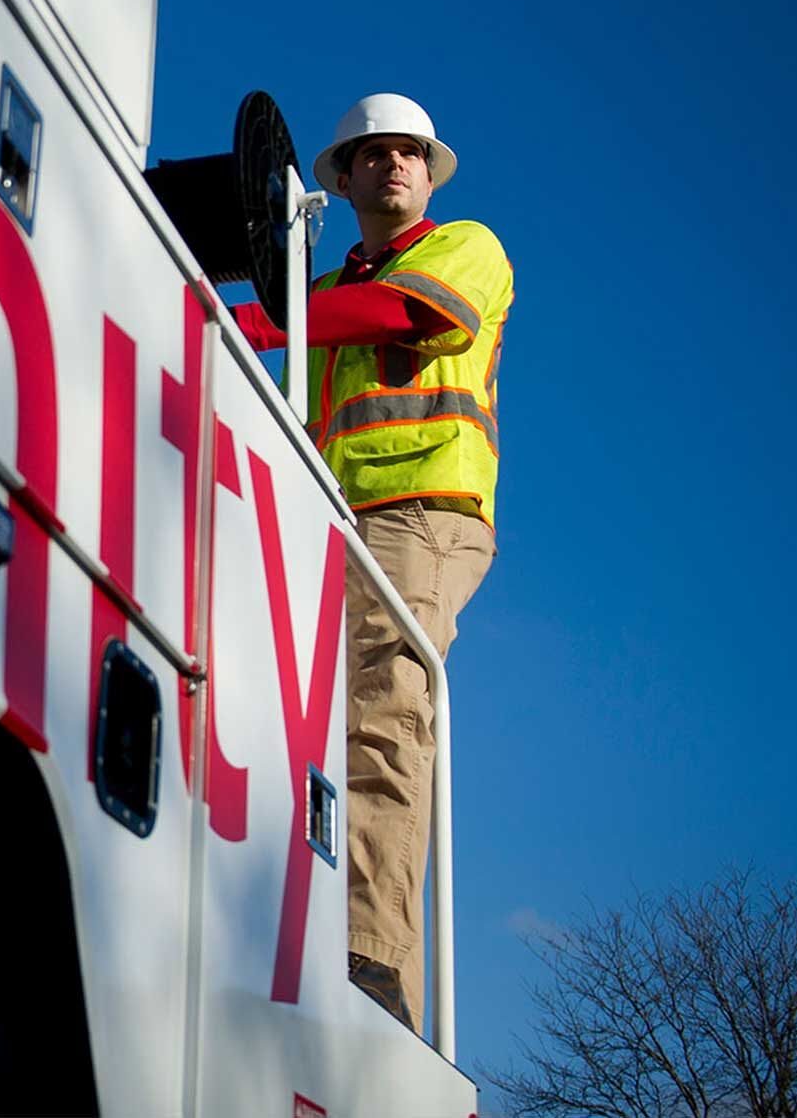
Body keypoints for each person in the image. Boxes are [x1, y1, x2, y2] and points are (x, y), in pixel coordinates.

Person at [230, 93, 511, 1032]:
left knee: (387, 712)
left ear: (429, 174)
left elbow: (413, 313)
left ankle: (372, 960)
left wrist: (271, 321)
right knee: (304, 734)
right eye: (373, 152)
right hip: (331, 522)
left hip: (422, 516)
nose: (394, 164)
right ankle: (348, 969)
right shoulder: (322, 291)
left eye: (410, 152)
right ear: (340, 178)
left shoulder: (466, 246)